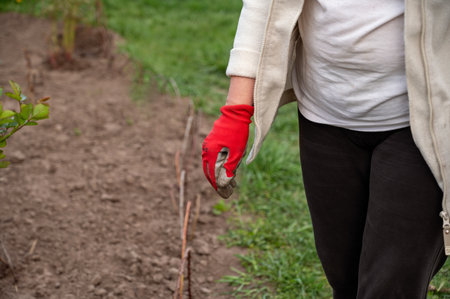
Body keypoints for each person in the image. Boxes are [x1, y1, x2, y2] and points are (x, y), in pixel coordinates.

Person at [201, 0, 449, 298]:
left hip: (421, 126)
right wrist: (236, 112)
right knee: (344, 277)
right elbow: (262, 6)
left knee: (390, 287)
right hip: (324, 119)